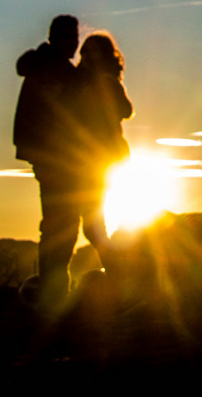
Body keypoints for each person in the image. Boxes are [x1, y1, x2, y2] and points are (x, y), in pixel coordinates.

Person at [13, 14, 82, 303]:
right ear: (54, 38)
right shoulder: (48, 67)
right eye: (68, 36)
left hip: (61, 158)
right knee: (59, 224)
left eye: (75, 36)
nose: (74, 42)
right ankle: (52, 292)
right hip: (55, 158)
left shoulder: (58, 68)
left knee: (62, 224)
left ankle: (53, 289)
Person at [67, 30, 133, 271]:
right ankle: (117, 269)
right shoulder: (78, 79)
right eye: (87, 50)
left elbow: (126, 110)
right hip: (86, 158)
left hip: (101, 159)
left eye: (95, 51)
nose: (89, 56)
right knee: (90, 222)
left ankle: (117, 270)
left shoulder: (106, 81)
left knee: (92, 223)